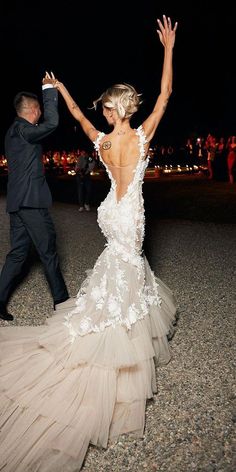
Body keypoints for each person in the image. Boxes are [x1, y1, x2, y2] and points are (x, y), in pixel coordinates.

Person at [0, 15, 177, 471]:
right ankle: (117, 335)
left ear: (113, 110)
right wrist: (169, 49)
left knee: (119, 267)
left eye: (107, 109)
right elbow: (165, 96)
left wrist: (58, 90)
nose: (104, 115)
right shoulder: (140, 136)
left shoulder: (101, 142)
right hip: (129, 214)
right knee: (128, 264)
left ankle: (111, 316)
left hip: (109, 214)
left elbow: (77, 115)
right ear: (129, 110)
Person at [0, 75, 69, 321]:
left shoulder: (12, 131)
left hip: (18, 202)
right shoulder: (23, 129)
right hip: (30, 203)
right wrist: (49, 90)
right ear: (34, 110)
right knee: (48, 251)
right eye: (39, 108)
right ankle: (62, 303)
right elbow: (52, 124)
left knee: (18, 254)